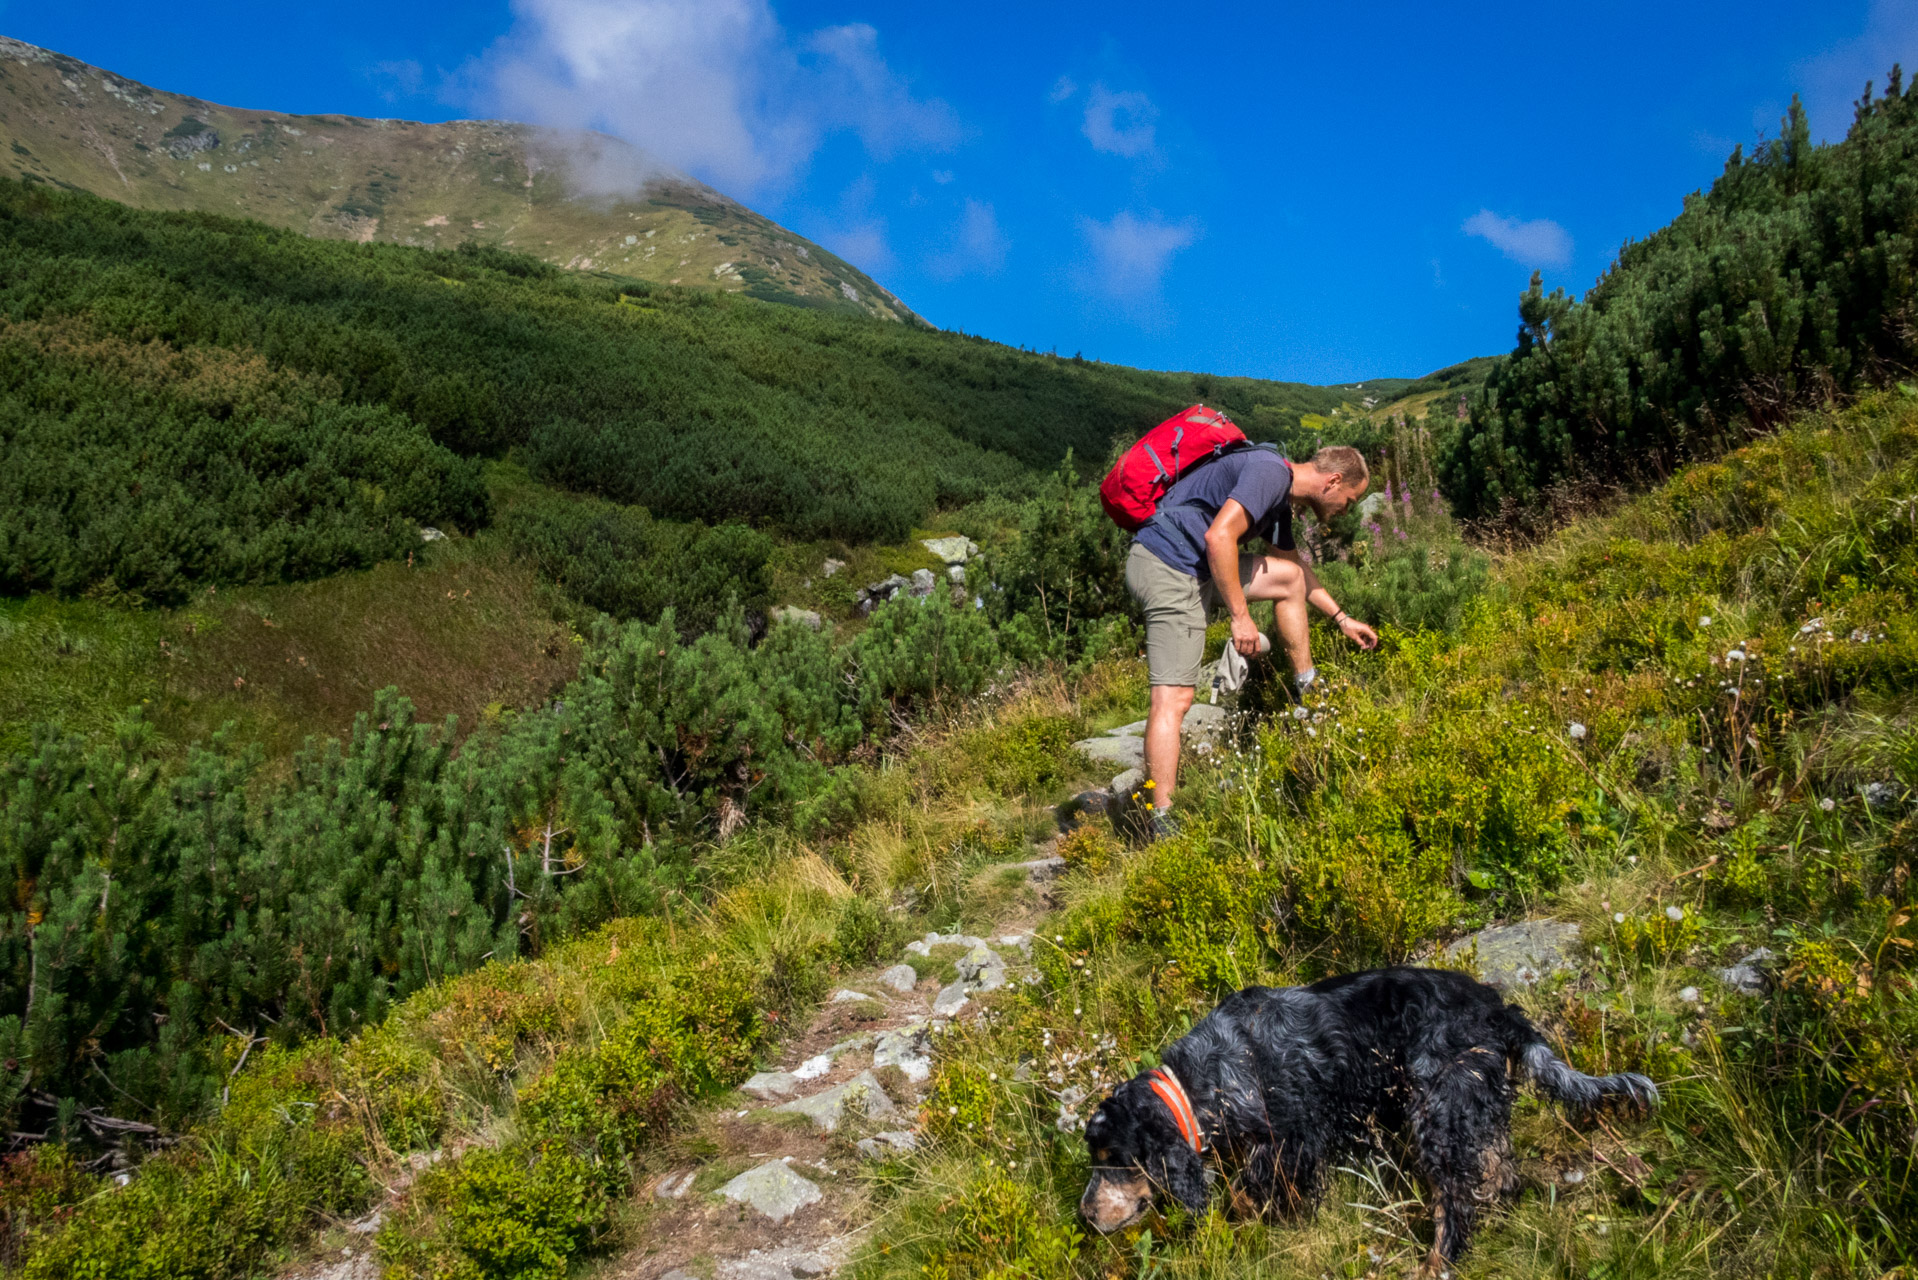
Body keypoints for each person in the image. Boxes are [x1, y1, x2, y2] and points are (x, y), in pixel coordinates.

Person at [1124, 443, 1380, 836]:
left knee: (1288, 578)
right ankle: (1163, 821)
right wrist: (1240, 617)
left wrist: (1341, 618)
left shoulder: (1280, 498)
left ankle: (1307, 691)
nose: (1348, 509)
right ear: (1333, 480)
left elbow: (1294, 569)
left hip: (1198, 565)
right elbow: (1219, 537)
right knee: (1173, 698)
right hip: (1168, 565)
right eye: (1350, 499)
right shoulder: (1269, 472)